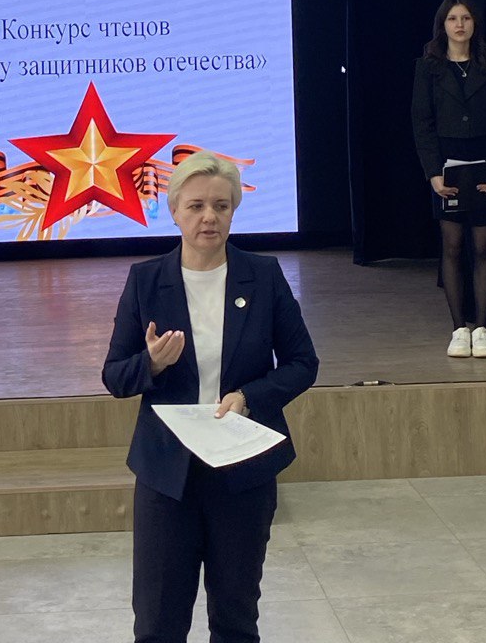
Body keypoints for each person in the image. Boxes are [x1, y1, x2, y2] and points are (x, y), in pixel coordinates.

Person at [102, 150, 319, 643]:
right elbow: (115, 377)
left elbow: (302, 363)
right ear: (174, 211)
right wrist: (151, 364)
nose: (209, 217)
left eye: (221, 206)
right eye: (196, 206)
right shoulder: (146, 280)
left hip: (242, 471)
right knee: (158, 623)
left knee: (236, 620)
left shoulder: (262, 276)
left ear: (233, 211)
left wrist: (248, 396)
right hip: (167, 474)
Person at [411, 0, 486, 359]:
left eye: (466, 18)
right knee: (452, 246)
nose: (459, 25)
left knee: (483, 247)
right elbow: (422, 123)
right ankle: (459, 329)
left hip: (484, 163)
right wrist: (433, 173)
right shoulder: (429, 66)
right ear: (443, 25)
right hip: (447, 166)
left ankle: (481, 328)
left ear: (474, 24)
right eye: (453, 18)